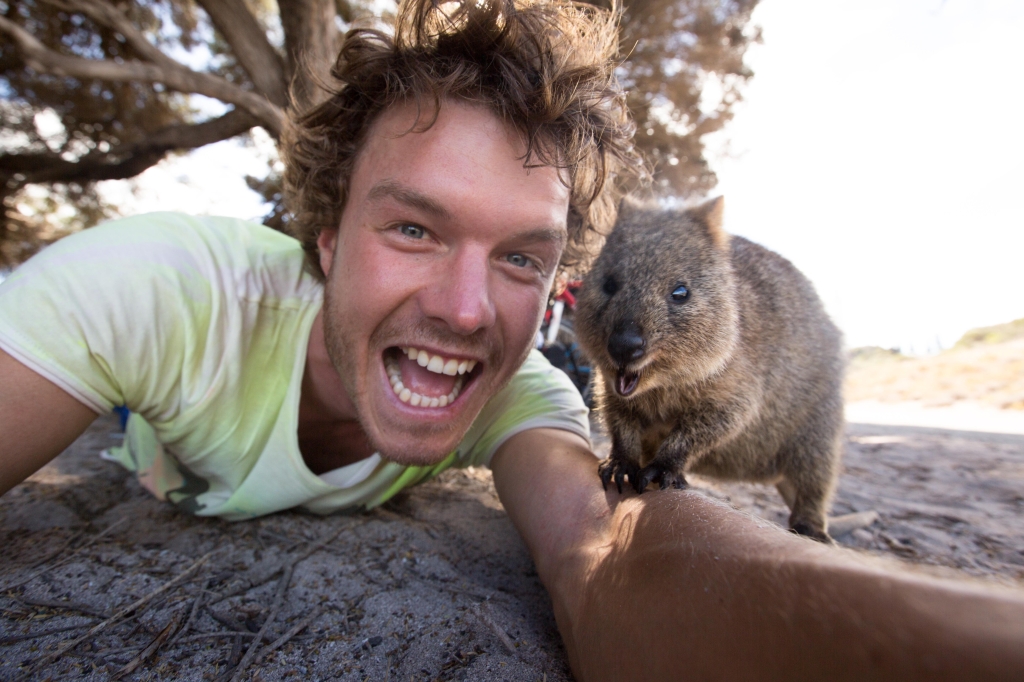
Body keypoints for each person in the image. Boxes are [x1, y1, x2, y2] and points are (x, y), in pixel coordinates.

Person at [0, 0, 1022, 680]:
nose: (462, 308)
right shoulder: (154, 289)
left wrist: (961, 637)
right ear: (325, 234)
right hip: (149, 437)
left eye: (521, 258)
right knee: (136, 435)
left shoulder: (517, 390)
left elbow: (611, 553)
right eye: (413, 226)